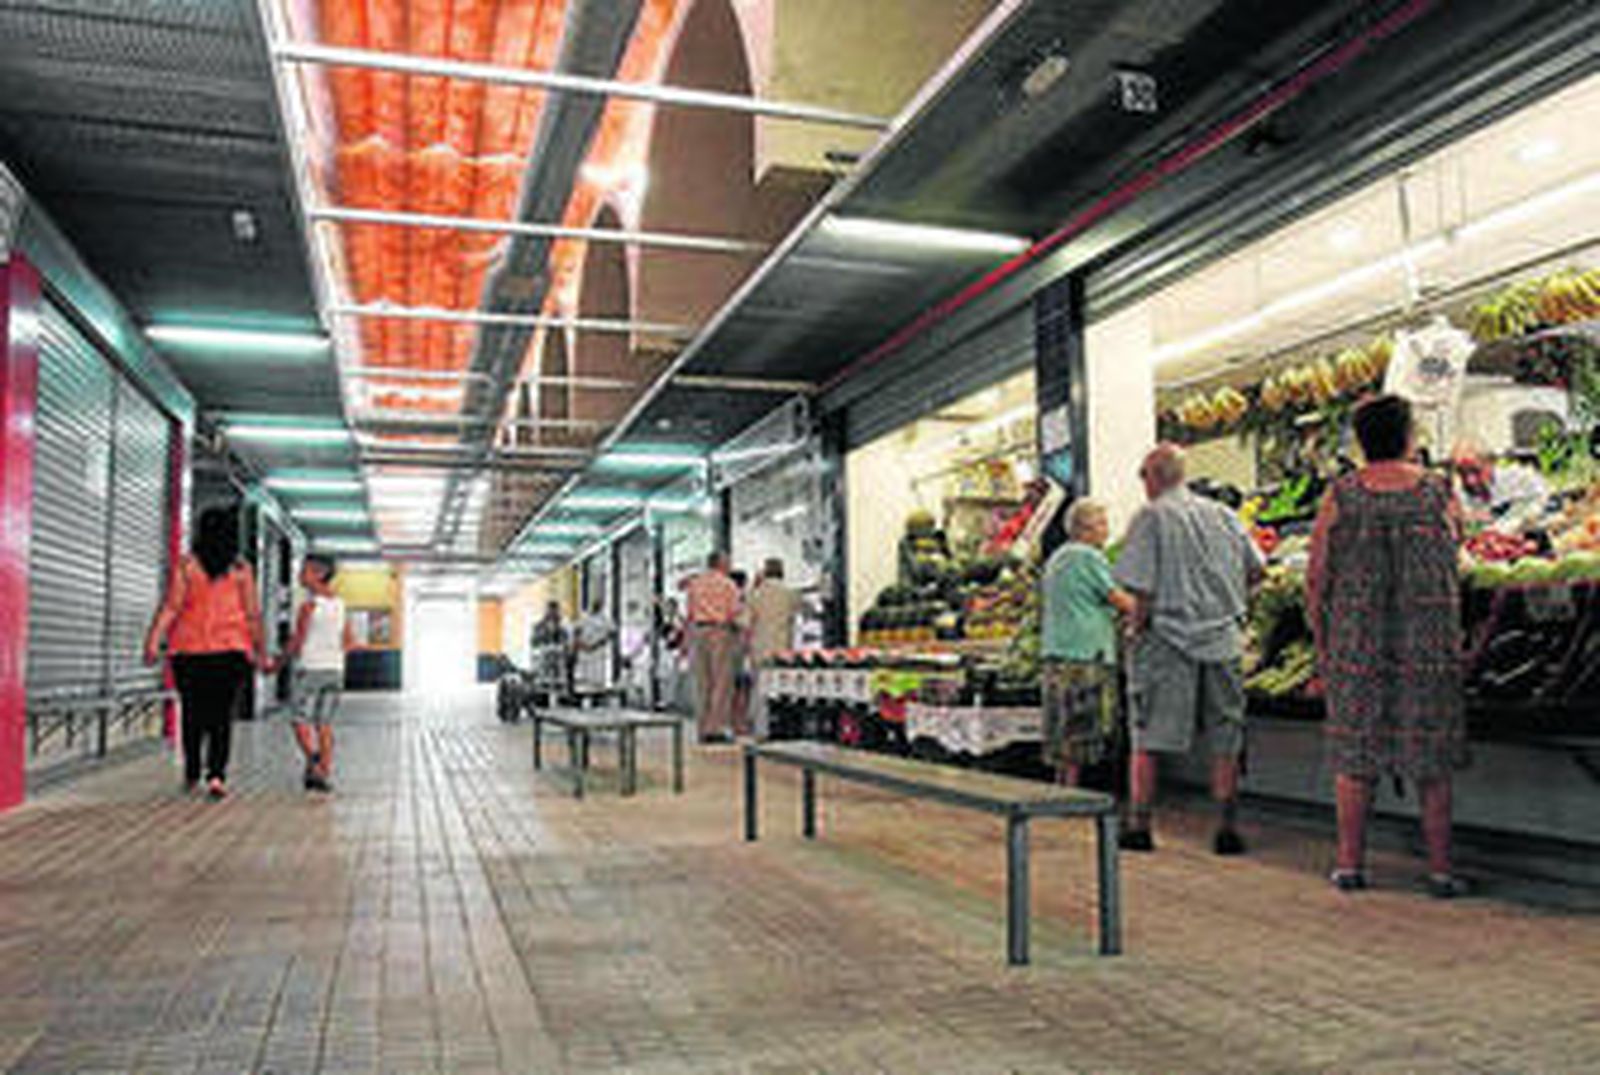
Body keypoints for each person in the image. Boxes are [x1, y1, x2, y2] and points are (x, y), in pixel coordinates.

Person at [1309, 395, 1469, 897]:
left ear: (1360, 441)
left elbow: (1317, 575)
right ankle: (1440, 871)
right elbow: (1458, 544)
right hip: (1429, 640)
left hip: (1357, 640)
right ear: (1409, 435)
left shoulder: (1341, 495)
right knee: (1431, 757)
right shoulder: (1438, 491)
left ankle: (1349, 865)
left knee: (1356, 756)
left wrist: (1322, 641)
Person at [1113, 444, 1264, 854]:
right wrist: (1230, 606)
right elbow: (1257, 570)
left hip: (1167, 639)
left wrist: (1134, 629)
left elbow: (1141, 591)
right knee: (1225, 735)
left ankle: (1140, 825)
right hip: (1223, 642)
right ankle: (1227, 828)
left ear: (1153, 477)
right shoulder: (1224, 515)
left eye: (1143, 475)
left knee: (1147, 734)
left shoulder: (1151, 517)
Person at [143, 506, 265, 800]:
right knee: (221, 715)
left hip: (189, 651)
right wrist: (259, 649)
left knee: (193, 712)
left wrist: (153, 640)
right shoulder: (241, 569)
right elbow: (251, 614)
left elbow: (171, 606)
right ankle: (217, 776)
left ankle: (192, 770)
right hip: (230, 650)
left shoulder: (187, 566)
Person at [1040, 499, 1136, 786]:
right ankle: (1071, 794)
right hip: (1085, 654)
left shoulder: (1058, 558)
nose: (1106, 530)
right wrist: (1151, 609)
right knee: (1080, 728)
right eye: (1102, 524)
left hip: (1057, 652)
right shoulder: (1087, 557)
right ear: (1084, 528)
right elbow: (1117, 599)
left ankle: (1060, 789)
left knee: (1060, 728)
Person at [270, 555, 351, 793]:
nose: (299, 575)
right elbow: (348, 640)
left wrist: (277, 664)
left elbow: (297, 642)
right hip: (335, 670)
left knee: (299, 718)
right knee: (324, 723)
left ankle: (314, 760)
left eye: (304, 570)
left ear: (319, 573)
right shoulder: (340, 604)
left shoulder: (309, 607)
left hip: (310, 669)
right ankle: (322, 773)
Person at [681, 550, 742, 743]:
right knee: (721, 683)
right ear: (721, 564)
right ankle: (716, 729)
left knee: (702, 682)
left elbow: (689, 614)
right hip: (720, 632)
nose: (730, 565)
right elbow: (734, 613)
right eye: (728, 562)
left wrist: (685, 642)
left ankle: (702, 728)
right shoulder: (728, 585)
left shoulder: (695, 584)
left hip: (698, 632)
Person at [745, 558, 801, 740]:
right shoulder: (789, 593)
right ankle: (782, 728)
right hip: (782, 648)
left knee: (760, 690)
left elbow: (744, 621)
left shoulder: (757, 594)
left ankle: (761, 730)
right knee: (781, 689)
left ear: (764, 572)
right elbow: (799, 612)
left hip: (760, 648)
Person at [1451, 436, 1549, 530]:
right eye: (1461, 473)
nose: (1470, 481)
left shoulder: (1520, 479)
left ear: (1490, 462)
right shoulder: (1459, 497)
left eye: (1475, 471)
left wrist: (1508, 524)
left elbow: (1544, 502)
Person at [571, 595, 614, 691]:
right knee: (583, 675)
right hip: (584, 649)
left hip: (597, 650)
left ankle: (597, 692)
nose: (596, 605)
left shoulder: (605, 619)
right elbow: (576, 630)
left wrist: (596, 645)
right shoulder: (585, 617)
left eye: (598, 603)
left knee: (596, 676)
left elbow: (610, 634)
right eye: (594, 603)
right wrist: (579, 643)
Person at [530, 602, 568, 702]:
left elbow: (565, 640)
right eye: (550, 610)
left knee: (558, 675)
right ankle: (541, 697)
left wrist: (562, 646)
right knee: (543, 678)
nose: (553, 613)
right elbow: (533, 641)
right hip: (544, 654)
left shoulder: (562, 627)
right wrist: (541, 640)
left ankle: (560, 696)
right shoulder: (538, 626)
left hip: (557, 656)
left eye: (555, 611)